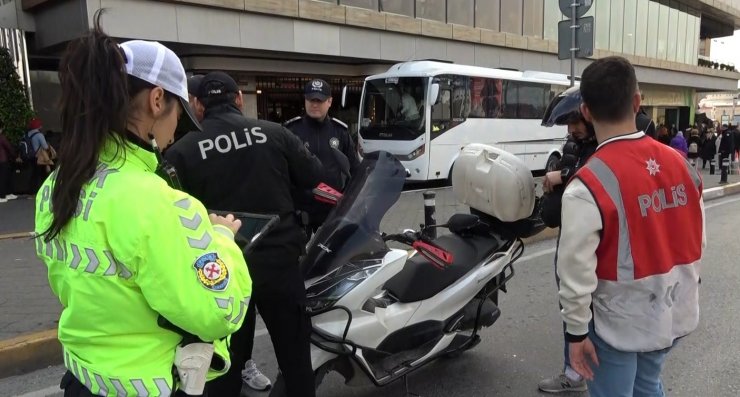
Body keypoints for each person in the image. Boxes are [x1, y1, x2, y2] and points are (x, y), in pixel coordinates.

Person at [35, 17, 252, 397]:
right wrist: (222, 239)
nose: (176, 131)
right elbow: (219, 312)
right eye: (178, 116)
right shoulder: (158, 202)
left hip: (82, 380)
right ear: (156, 100)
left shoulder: (57, 185)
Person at [165, 71, 323, 397]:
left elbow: (172, 216)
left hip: (220, 275)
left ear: (197, 105)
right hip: (280, 264)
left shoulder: (181, 152)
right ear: (239, 99)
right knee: (296, 361)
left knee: (226, 368)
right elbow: (313, 175)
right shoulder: (274, 133)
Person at [556, 56, 704, 397]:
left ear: (587, 112)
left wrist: (576, 335)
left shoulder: (588, 183)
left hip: (618, 322)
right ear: (637, 102)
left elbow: (575, 272)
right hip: (673, 311)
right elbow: (698, 239)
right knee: (648, 384)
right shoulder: (682, 165)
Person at [537, 86, 597, 394]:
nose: (572, 129)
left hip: (589, 238)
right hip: (568, 231)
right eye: (568, 124)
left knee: (580, 304)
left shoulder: (600, 148)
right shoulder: (576, 145)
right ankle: (577, 370)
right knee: (572, 303)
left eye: (577, 122)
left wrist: (564, 174)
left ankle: (577, 374)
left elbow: (598, 177)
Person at [285, 78, 360, 234]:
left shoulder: (340, 131)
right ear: (305, 100)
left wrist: (349, 199)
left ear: (330, 101)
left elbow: (355, 170)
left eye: (319, 100)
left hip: (331, 209)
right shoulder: (292, 130)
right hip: (301, 209)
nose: (314, 104)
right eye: (311, 99)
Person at [0, 122, 18, 203]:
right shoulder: (2, 137)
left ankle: (8, 193)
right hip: (3, 160)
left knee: (5, 177)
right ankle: (2, 196)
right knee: (3, 178)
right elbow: (9, 147)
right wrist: (14, 156)